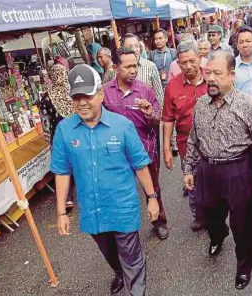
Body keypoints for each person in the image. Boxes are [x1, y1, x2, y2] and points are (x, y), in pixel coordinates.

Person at [51, 64, 160, 296]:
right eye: (76, 97)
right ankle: (118, 273)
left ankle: (135, 290)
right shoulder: (64, 130)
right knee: (110, 252)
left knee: (132, 258)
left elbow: (140, 164)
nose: (82, 102)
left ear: (100, 94)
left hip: (123, 207)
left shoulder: (122, 126)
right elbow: (62, 172)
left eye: (88, 95)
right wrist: (61, 212)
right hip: (92, 210)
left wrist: (152, 198)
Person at [184, 51, 252, 290]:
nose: (211, 78)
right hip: (207, 171)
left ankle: (244, 265)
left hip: (238, 171)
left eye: (217, 73)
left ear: (232, 76)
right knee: (208, 214)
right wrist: (188, 169)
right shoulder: (201, 105)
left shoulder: (249, 106)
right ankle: (218, 235)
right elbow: (194, 139)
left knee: (243, 224)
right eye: (208, 73)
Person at [103, 47, 169, 240]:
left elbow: (158, 120)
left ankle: (160, 221)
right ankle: (125, 229)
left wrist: (150, 113)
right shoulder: (105, 94)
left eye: (135, 66)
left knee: (153, 189)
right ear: (116, 67)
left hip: (144, 150)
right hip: (116, 154)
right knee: (121, 192)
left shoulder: (145, 90)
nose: (133, 70)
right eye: (128, 66)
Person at [163, 41, 208, 231]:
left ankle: (217, 215)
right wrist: (166, 148)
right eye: (183, 63)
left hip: (215, 143)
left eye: (192, 61)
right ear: (178, 64)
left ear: (199, 58)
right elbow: (167, 120)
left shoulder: (213, 77)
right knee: (192, 182)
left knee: (214, 180)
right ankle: (198, 216)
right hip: (185, 145)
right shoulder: (172, 86)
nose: (188, 66)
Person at [40, 58, 75, 209]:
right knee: (77, 162)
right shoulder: (72, 91)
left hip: (58, 136)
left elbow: (45, 120)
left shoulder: (46, 97)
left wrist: (49, 138)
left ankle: (68, 197)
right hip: (74, 133)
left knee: (63, 165)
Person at [120, 33, 164, 108]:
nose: (134, 49)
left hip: (148, 115)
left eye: (137, 46)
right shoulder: (119, 69)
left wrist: (158, 115)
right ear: (123, 49)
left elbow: (159, 95)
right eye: (130, 47)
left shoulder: (150, 66)